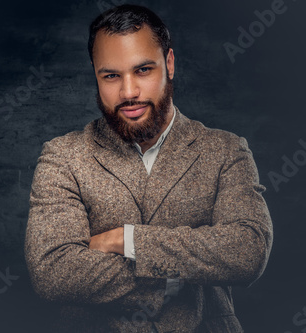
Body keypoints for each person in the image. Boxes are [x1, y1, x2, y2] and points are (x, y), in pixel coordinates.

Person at [25, 4, 273, 332]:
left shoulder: (225, 150)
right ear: (95, 73)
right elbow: (52, 271)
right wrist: (162, 280)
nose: (129, 92)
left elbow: (247, 250)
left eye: (143, 70)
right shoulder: (63, 156)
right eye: (111, 75)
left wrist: (127, 240)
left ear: (169, 64)